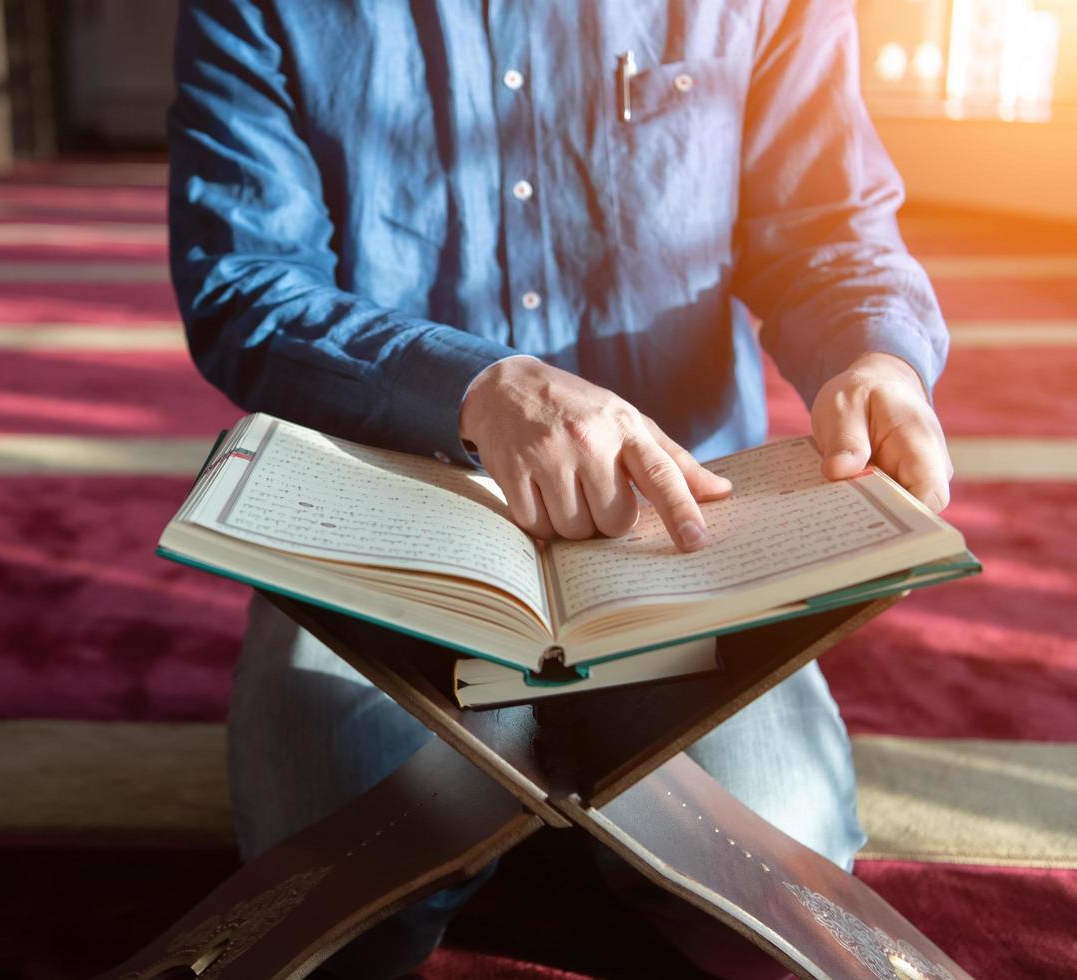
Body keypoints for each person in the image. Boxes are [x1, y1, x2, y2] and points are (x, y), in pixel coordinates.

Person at [167, 1, 954, 976]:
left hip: (688, 520)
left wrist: (876, 354)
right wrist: (472, 385)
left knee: (786, 904)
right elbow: (247, 282)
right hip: (392, 504)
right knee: (333, 910)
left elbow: (826, 223)